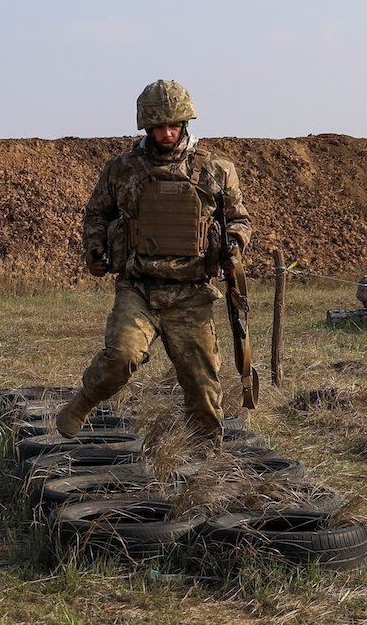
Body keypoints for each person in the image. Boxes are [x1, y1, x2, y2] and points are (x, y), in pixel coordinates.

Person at [55, 80, 251, 443]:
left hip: (192, 293)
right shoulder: (122, 169)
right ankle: (82, 404)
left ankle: (205, 456)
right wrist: (94, 248)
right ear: (147, 126)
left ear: (186, 124)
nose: (167, 133)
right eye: (159, 126)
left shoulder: (216, 170)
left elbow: (239, 219)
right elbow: (96, 214)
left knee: (201, 382)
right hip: (140, 288)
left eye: (173, 125)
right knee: (121, 357)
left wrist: (233, 243)